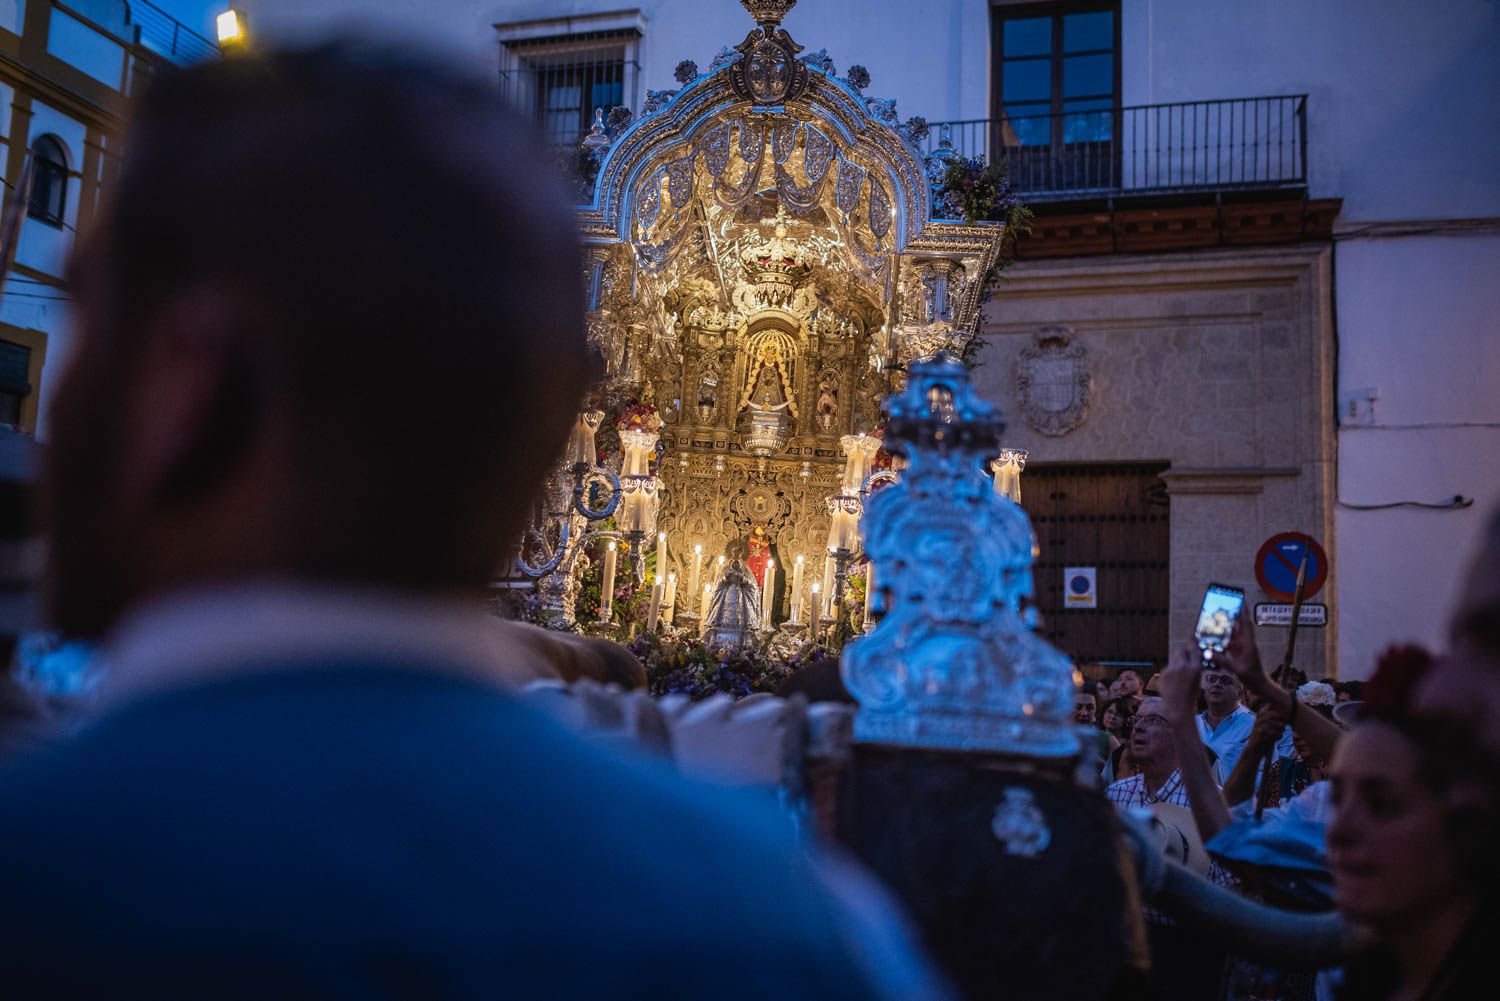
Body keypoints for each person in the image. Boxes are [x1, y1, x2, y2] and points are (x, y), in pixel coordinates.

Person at [0, 46, 949, 1001]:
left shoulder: (29, 873)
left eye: (88, 318)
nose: (65, 395)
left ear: (184, 378)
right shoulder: (806, 932)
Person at [1328, 652, 1499, 1001]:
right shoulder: (1368, 979)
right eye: (1337, 797)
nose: (1338, 831)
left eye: (1381, 805)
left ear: (1465, 825)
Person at [1106, 695, 1234, 1001]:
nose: (1138, 729)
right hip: (1128, 940)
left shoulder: (1208, 802)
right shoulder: (1116, 793)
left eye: (1153, 722)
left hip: (1189, 946)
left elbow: (1229, 883)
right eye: (1137, 720)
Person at [1196, 663, 1255, 781]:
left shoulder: (1254, 727)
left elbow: (1264, 778)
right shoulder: (1190, 725)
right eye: (1212, 679)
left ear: (1240, 692)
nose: (1217, 684)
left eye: (1225, 680)